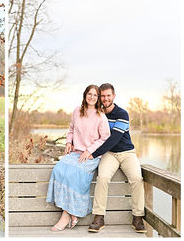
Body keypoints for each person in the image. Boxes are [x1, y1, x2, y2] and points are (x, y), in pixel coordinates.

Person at [47, 84, 110, 232]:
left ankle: (66, 215)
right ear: (85, 95)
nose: (92, 97)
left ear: (98, 98)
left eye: (95, 95)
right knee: (59, 169)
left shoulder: (101, 116)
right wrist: (68, 142)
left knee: (75, 174)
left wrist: (89, 151)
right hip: (76, 152)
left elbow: (105, 138)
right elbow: (71, 129)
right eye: (89, 94)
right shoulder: (77, 111)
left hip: (91, 155)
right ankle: (72, 213)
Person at [88, 83, 145, 233]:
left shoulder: (122, 113)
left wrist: (93, 154)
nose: (105, 98)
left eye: (108, 95)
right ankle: (99, 217)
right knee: (102, 178)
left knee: (137, 179)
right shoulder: (98, 113)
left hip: (127, 153)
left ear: (113, 96)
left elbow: (114, 138)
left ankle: (137, 217)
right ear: (99, 97)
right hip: (109, 154)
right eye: (102, 96)